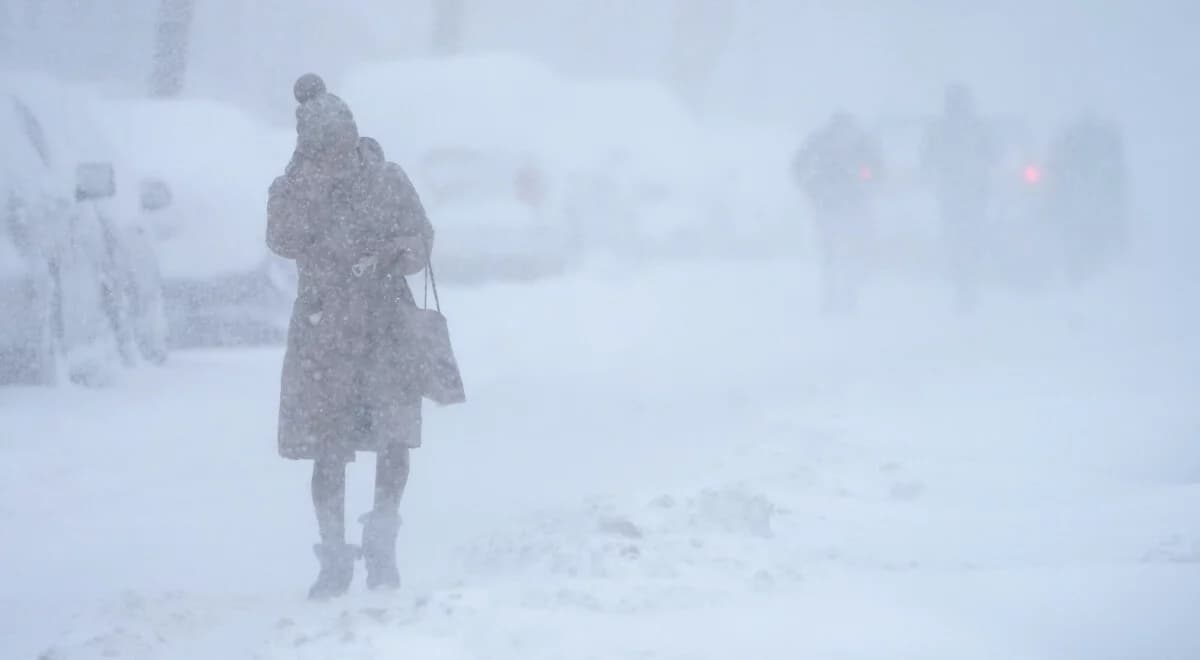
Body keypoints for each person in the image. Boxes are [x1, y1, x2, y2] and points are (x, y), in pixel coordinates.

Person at [266, 73, 434, 600]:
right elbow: (281, 239)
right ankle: (334, 556)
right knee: (327, 450)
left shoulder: (388, 179)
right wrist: (307, 184)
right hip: (324, 335)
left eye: (340, 144)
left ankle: (382, 545)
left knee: (393, 438)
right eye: (323, 149)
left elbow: (420, 237)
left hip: (385, 328)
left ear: (352, 135)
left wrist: (393, 254)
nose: (335, 156)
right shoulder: (294, 186)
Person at [792, 110, 883, 314]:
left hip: (840, 205)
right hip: (837, 205)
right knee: (836, 254)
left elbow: (876, 170)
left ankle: (841, 297)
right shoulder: (858, 142)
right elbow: (799, 165)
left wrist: (810, 187)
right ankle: (838, 297)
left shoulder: (836, 142)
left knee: (840, 254)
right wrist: (811, 187)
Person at [921, 83, 997, 312]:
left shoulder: (940, 130)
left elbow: (926, 159)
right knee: (969, 239)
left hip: (955, 194)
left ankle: (964, 283)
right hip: (970, 193)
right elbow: (995, 154)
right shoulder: (978, 128)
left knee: (958, 239)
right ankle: (967, 283)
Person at [1045, 111, 1127, 282]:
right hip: (1083, 209)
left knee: (1080, 234)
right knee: (1081, 234)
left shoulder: (1071, 147)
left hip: (1081, 209)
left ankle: (1082, 274)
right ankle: (1082, 274)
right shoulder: (1103, 154)